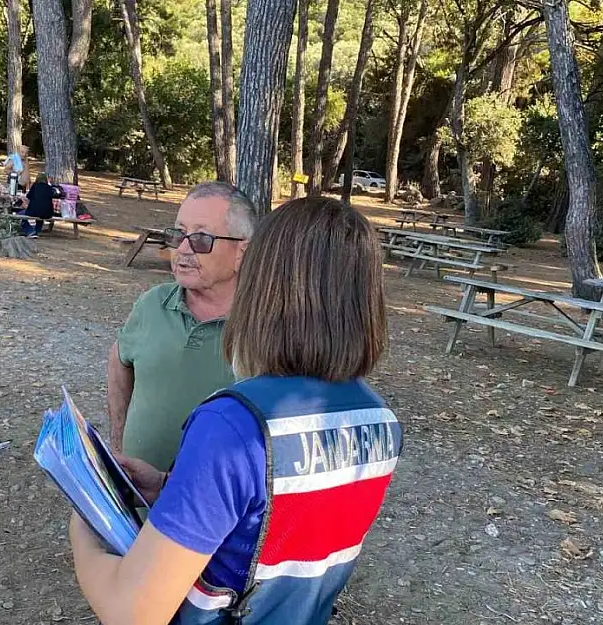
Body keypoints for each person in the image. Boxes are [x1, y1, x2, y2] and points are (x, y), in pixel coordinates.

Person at [72, 196, 402, 625]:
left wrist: (84, 518)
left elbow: (131, 612)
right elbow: (281, 523)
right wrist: (172, 486)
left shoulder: (234, 424)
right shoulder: (380, 421)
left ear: (264, 286)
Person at [107, 182, 254, 470]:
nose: (183, 249)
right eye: (178, 234)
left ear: (241, 252)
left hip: (212, 511)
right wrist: (117, 446)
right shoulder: (152, 303)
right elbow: (119, 360)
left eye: (201, 238)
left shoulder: (265, 326)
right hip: (134, 504)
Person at [19, 172, 59, 238]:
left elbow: (28, 196)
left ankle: (30, 230)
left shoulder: (35, 186)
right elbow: (53, 195)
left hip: (34, 211)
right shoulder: (49, 188)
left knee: (22, 215)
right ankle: (37, 231)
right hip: (48, 213)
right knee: (40, 216)